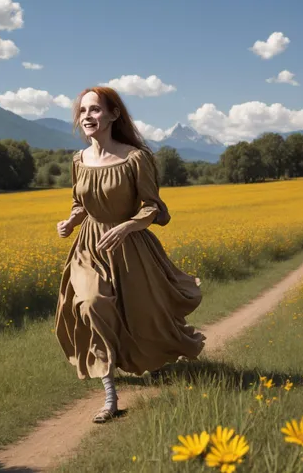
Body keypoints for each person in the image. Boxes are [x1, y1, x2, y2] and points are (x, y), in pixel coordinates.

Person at [55, 86, 205, 423]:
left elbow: (153, 207)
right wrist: (70, 222)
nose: (87, 117)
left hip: (129, 244)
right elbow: (80, 202)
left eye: (94, 110)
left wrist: (126, 227)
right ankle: (110, 395)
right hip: (89, 246)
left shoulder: (135, 158)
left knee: (142, 316)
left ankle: (167, 349)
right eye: (82, 112)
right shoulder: (79, 160)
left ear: (113, 115)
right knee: (92, 305)